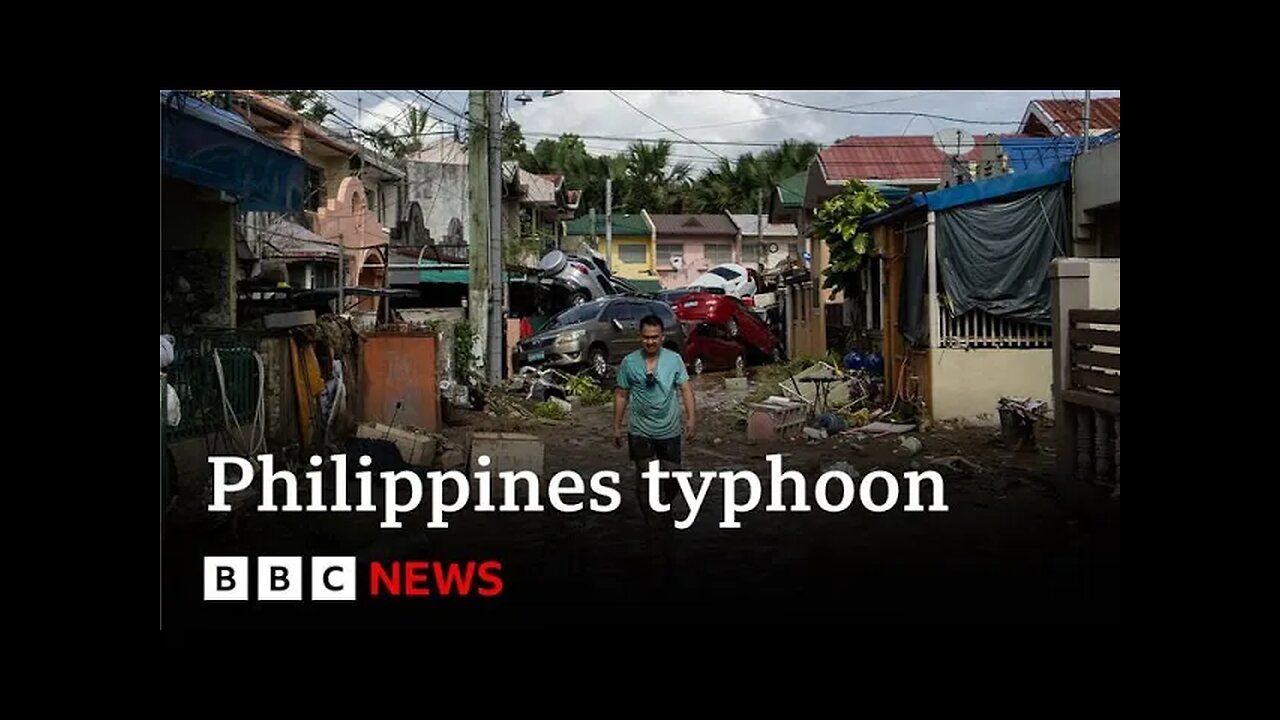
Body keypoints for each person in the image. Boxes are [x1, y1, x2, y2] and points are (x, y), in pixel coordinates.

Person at [613, 313, 696, 594]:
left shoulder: (673, 360)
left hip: (669, 430)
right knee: (644, 475)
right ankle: (651, 520)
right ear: (641, 337)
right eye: (646, 337)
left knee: (672, 477)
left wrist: (691, 419)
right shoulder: (629, 363)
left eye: (655, 337)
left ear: (662, 337)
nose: (650, 341)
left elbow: (685, 388)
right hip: (640, 430)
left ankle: (666, 506)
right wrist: (616, 426)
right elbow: (622, 394)